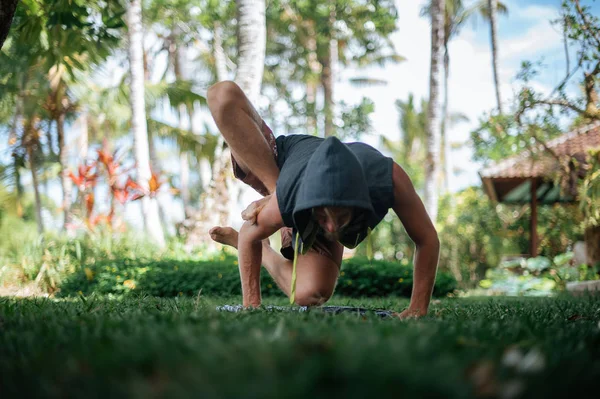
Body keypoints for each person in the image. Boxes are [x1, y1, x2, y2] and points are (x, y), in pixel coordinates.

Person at [207, 81, 440, 318]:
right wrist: (251, 306)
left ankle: (267, 244)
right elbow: (249, 232)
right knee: (221, 95)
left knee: (309, 294)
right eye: (322, 216)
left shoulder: (389, 179)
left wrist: (417, 308)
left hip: (303, 192)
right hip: (280, 170)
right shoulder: (293, 192)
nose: (329, 227)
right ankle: (273, 191)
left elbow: (427, 238)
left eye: (339, 216)